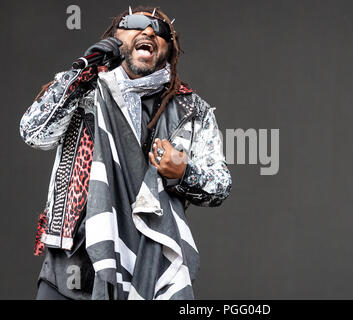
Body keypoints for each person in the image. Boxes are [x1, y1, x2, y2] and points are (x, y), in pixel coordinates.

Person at [19, 5, 232, 300]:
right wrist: (81, 71)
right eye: (134, 23)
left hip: (146, 268)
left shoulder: (191, 110)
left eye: (159, 29)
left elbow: (220, 185)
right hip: (67, 269)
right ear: (115, 37)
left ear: (169, 49)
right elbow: (34, 133)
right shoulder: (86, 89)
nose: (147, 31)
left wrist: (184, 172)